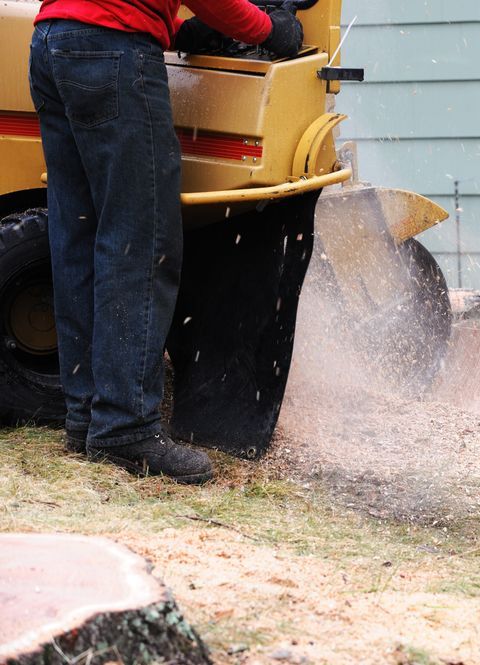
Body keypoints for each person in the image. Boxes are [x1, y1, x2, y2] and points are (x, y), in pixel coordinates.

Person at [28, 0, 303, 484]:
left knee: (79, 231)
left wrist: (175, 30)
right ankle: (125, 426)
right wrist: (268, 28)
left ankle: (87, 415)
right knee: (139, 237)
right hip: (111, 52)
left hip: (53, 40)